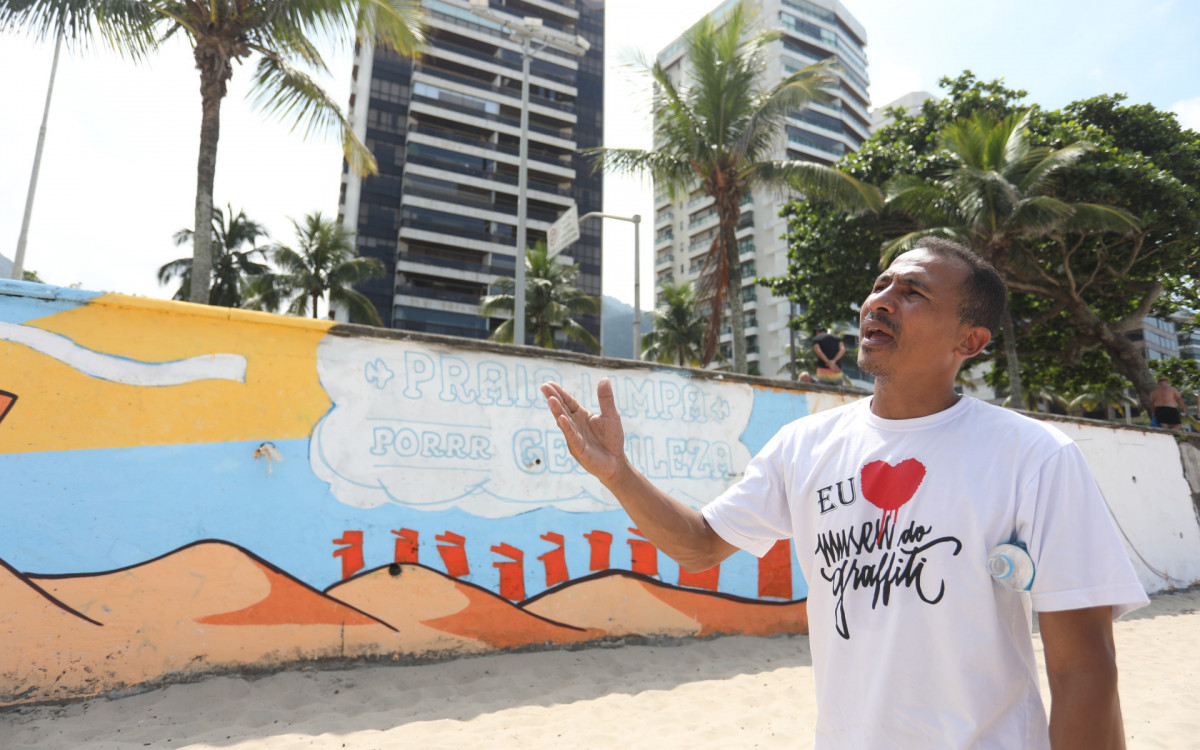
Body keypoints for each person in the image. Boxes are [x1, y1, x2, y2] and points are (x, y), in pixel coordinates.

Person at [541, 236, 1147, 749]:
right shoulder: (804, 446)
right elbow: (698, 546)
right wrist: (618, 473)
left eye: (912, 293)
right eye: (881, 286)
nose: (881, 302)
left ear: (970, 341)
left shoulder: (1034, 458)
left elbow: (1083, 669)